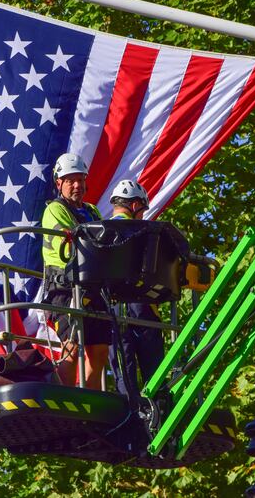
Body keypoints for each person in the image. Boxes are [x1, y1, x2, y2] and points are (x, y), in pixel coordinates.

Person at [41, 153, 110, 389]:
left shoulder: (92, 211)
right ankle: (66, 400)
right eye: (70, 180)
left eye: (80, 179)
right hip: (64, 288)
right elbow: (76, 241)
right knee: (71, 347)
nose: (77, 185)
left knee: (99, 350)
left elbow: (105, 239)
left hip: (92, 286)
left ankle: (91, 402)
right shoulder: (55, 210)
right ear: (59, 183)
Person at [106, 180, 165, 407]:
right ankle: (158, 413)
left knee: (123, 373)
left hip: (110, 309)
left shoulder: (100, 232)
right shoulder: (142, 231)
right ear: (135, 205)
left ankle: (129, 413)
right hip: (141, 307)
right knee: (155, 374)